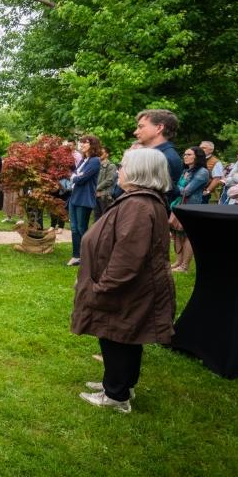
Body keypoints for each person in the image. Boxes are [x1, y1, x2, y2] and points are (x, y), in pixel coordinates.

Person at [71, 147, 175, 413]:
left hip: (125, 288)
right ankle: (118, 385)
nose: (119, 170)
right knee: (125, 336)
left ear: (139, 172)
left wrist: (101, 287)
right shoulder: (139, 200)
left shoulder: (139, 205)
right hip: (130, 287)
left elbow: (128, 257)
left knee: (118, 336)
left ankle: (116, 395)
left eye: (124, 166)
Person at [170, 146, 210, 273]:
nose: (185, 156)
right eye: (184, 154)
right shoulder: (186, 170)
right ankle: (178, 261)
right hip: (178, 205)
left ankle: (185, 266)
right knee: (176, 233)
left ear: (197, 157)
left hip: (191, 207)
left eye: (188, 154)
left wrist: (169, 186)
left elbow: (186, 191)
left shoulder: (202, 172)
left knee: (188, 235)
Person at [131, 108, 183, 203]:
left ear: (159, 128)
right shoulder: (160, 155)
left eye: (141, 127)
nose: (135, 132)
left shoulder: (164, 158)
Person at [67, 135, 101, 267]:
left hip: (85, 198)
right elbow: (74, 175)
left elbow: (80, 179)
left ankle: (86, 256)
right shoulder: (83, 160)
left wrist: (75, 177)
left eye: (85, 143)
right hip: (75, 197)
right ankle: (76, 256)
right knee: (74, 228)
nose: (82, 145)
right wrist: (75, 176)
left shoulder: (94, 161)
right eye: (81, 143)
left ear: (93, 145)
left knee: (82, 228)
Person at [93, 147, 117, 220]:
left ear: (107, 154)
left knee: (105, 219)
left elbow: (109, 180)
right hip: (95, 195)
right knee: (97, 218)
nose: (99, 154)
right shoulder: (96, 165)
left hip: (105, 196)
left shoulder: (111, 166)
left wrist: (95, 188)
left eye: (102, 152)